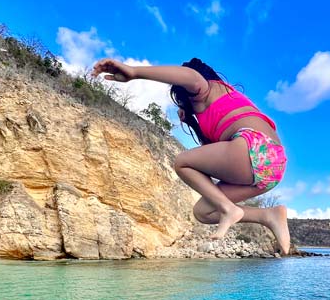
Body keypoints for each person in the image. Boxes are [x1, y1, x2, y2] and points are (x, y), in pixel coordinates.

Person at [91, 57, 291, 255]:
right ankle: (268, 215)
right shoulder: (221, 105)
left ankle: (230, 210)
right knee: (203, 212)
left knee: (182, 162)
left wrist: (134, 72)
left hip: (257, 147)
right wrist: (192, 123)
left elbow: (192, 78)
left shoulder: (209, 87)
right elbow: (214, 154)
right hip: (269, 171)